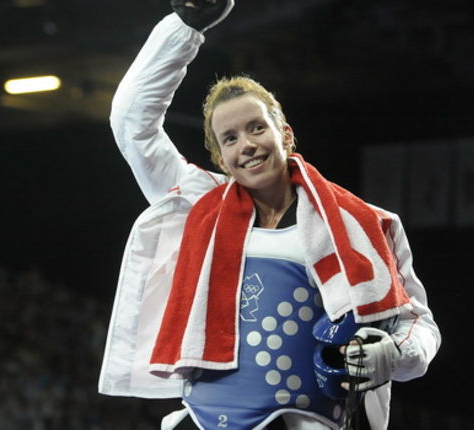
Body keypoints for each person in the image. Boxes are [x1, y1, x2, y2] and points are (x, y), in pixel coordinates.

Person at [97, 1, 441, 429]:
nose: (247, 145)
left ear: (286, 135)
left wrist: (392, 353)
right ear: (221, 158)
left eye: (257, 128)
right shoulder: (199, 206)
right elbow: (131, 123)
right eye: (230, 138)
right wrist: (183, 29)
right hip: (206, 421)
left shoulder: (363, 224)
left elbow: (418, 325)